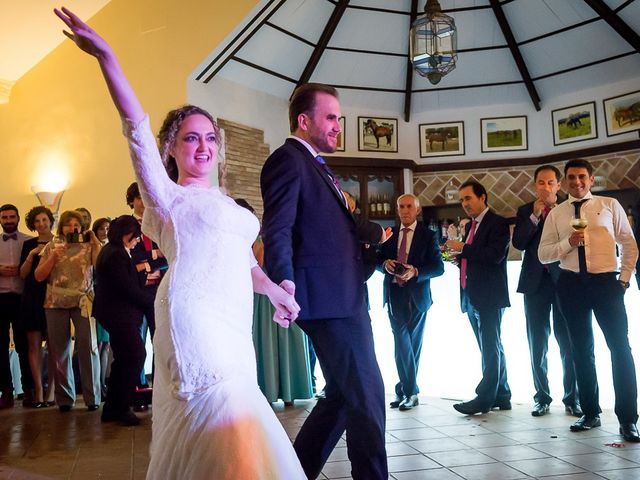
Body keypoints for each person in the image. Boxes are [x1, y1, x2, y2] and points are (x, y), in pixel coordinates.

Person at [55, 8, 304, 478]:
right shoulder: (167, 198)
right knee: (225, 420)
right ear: (170, 148)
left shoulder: (228, 205)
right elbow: (134, 126)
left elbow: (237, 262)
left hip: (234, 322)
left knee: (235, 424)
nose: (204, 146)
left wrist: (273, 290)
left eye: (210, 137)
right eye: (191, 138)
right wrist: (107, 58)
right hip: (193, 319)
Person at [261, 82, 389, 479]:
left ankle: (293, 472)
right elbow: (277, 229)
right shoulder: (287, 160)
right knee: (367, 395)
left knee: (341, 396)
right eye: (331, 117)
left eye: (339, 118)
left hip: (344, 295)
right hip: (327, 300)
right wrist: (283, 282)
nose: (338, 126)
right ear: (304, 120)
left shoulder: (315, 164)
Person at [539, 158, 639, 442]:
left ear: (591, 179)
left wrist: (624, 279)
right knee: (580, 351)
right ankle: (591, 413)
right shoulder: (557, 214)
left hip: (607, 283)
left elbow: (629, 243)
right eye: (571, 178)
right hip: (571, 284)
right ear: (565, 181)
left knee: (620, 348)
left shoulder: (609, 205)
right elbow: (543, 254)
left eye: (582, 177)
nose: (577, 182)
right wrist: (567, 244)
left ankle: (628, 419)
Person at [512, 165, 581, 418]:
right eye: (541, 183)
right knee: (537, 343)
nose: (546, 187)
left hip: (564, 282)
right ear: (535, 185)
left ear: (559, 185)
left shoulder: (570, 207)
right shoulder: (524, 211)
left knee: (568, 343)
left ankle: (572, 398)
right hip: (535, 284)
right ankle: (541, 397)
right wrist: (534, 217)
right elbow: (518, 243)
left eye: (551, 183)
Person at [235, 198, 313, 405]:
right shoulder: (279, 241)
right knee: (286, 342)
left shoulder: (259, 242)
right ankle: (290, 391)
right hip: (281, 292)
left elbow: (257, 268)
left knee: (267, 342)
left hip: (266, 297)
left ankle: (268, 391)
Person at [445, 180, 511, 415]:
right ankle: (502, 395)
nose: (464, 203)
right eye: (461, 200)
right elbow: (477, 257)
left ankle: (484, 398)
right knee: (490, 346)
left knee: (491, 347)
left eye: (468, 198)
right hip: (471, 295)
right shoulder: (471, 226)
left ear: (482, 197)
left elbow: (494, 256)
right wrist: (461, 260)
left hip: (490, 296)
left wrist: (463, 249)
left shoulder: (497, 223)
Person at [378, 194, 444, 411]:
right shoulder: (390, 235)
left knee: (412, 346)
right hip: (394, 294)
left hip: (417, 296)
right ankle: (410, 391)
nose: (405, 210)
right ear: (397, 210)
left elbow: (438, 267)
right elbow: (377, 261)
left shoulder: (428, 235)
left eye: (409, 207)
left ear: (417, 210)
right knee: (402, 343)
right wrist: (384, 264)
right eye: (401, 207)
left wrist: (415, 271)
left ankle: (405, 390)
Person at [34, 210, 102, 412]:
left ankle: (93, 398)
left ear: (82, 228)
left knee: (88, 348)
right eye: (68, 225)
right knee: (59, 351)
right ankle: (65, 399)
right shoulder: (52, 246)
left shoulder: (89, 246)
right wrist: (54, 257)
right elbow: (38, 276)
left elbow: (100, 267)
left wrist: (95, 241)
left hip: (83, 301)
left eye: (76, 225)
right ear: (61, 227)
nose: (72, 228)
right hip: (55, 302)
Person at [93, 215, 153, 425]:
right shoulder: (116, 254)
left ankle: (113, 408)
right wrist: (150, 301)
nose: (137, 240)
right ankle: (121, 407)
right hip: (118, 313)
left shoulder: (114, 251)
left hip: (115, 312)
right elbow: (125, 288)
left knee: (124, 359)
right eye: (135, 236)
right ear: (126, 234)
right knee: (136, 354)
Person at [19, 206, 56, 408]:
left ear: (50, 221)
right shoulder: (28, 244)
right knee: (33, 347)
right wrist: (32, 254)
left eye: (44, 220)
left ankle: (51, 391)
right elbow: (22, 274)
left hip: (51, 295)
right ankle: (39, 391)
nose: (41, 224)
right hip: (31, 297)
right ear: (33, 225)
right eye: (37, 221)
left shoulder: (59, 241)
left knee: (53, 346)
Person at [0, 204, 32, 408]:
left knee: (24, 345)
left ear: (18, 218)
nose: (9, 220)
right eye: (5, 217)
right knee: (0, 347)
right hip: (0, 298)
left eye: (12, 216)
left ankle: (28, 389)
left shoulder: (29, 241)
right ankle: (6, 391)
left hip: (22, 298)